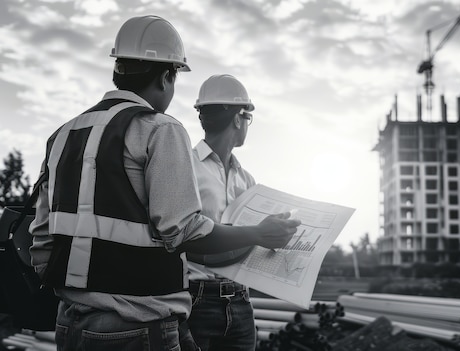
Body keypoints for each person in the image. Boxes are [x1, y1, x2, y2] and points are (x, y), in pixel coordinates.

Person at [28, 15, 300, 351]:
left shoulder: (63, 134)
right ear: (167, 76)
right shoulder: (160, 129)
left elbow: (40, 239)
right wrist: (258, 234)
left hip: (71, 324)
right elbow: (183, 230)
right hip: (138, 324)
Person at [184, 74, 259, 351]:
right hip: (195, 300)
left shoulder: (247, 180)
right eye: (247, 118)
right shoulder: (185, 167)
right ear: (238, 119)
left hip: (240, 301)